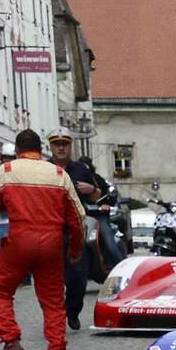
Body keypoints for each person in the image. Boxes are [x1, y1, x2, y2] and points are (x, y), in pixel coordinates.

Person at [0, 128, 86, 350]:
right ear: (40, 150)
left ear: (18, 150)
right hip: (51, 242)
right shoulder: (58, 173)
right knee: (53, 299)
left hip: (19, 239)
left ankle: (10, 340)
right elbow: (77, 217)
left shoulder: (6, 171)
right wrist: (75, 249)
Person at [49, 130, 106, 331]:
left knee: (78, 277)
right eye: (57, 144)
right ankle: (54, 316)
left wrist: (91, 190)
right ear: (51, 146)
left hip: (74, 228)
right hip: (50, 228)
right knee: (51, 277)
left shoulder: (81, 169)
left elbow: (97, 195)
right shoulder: (44, 169)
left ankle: (72, 311)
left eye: (65, 143)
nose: (61, 147)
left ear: (70, 146)